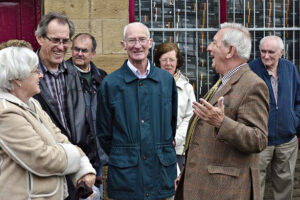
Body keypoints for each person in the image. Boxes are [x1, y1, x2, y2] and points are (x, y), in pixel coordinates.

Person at [175, 22, 270, 200]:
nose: (209, 48)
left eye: (214, 43)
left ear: (229, 51)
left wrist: (221, 122)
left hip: (225, 190)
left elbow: (259, 138)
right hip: (205, 186)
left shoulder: (252, 85)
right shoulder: (223, 81)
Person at [0, 46, 96, 200]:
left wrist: (83, 170)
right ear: (17, 79)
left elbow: (58, 137)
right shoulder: (5, 112)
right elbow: (40, 157)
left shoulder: (31, 103)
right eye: (35, 71)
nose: (41, 75)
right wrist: (76, 153)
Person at [96, 22, 178, 200]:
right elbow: (104, 133)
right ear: (123, 44)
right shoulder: (110, 84)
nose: (137, 45)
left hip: (160, 175)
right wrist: (126, 153)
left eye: (142, 39)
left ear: (150, 42)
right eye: (131, 40)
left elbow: (171, 124)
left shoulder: (166, 81)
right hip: (127, 180)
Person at [34, 12, 98, 199]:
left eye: (65, 41)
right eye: (55, 40)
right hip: (45, 171)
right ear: (39, 38)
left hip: (77, 170)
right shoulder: (27, 73)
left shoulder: (74, 73)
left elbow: (87, 125)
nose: (61, 47)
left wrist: (90, 165)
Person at [249, 35, 300, 200]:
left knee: (285, 183)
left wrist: (294, 119)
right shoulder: (251, 69)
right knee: (255, 185)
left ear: (281, 52)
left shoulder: (290, 68)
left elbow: (298, 99)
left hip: (287, 140)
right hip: (260, 140)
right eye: (263, 51)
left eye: (271, 52)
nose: (266, 56)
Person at [65, 33, 108, 200]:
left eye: (84, 50)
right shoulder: (64, 75)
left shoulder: (102, 77)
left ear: (93, 54)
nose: (79, 54)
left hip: (100, 153)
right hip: (78, 153)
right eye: (76, 49)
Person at [154, 42, 195, 172]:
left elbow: (190, 117)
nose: (168, 64)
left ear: (178, 62)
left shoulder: (186, 88)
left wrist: (175, 139)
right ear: (158, 61)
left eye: (171, 60)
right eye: (164, 60)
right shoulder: (149, 85)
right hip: (153, 148)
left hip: (177, 149)